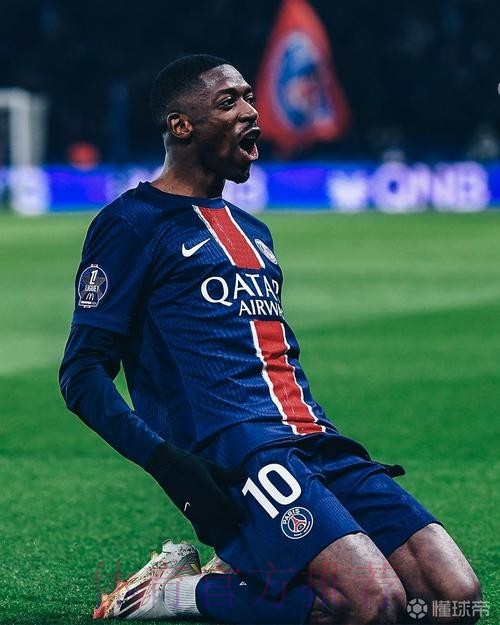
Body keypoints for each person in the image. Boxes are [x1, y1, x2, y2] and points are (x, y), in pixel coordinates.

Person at [59, 54, 481, 624]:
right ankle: (180, 594)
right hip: (239, 454)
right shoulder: (131, 224)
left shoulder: (254, 232)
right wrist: (169, 465)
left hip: (317, 441)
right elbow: (82, 374)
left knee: (455, 599)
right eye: (228, 101)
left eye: (250, 98)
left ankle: (239, 576)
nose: (251, 112)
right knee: (373, 603)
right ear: (181, 125)